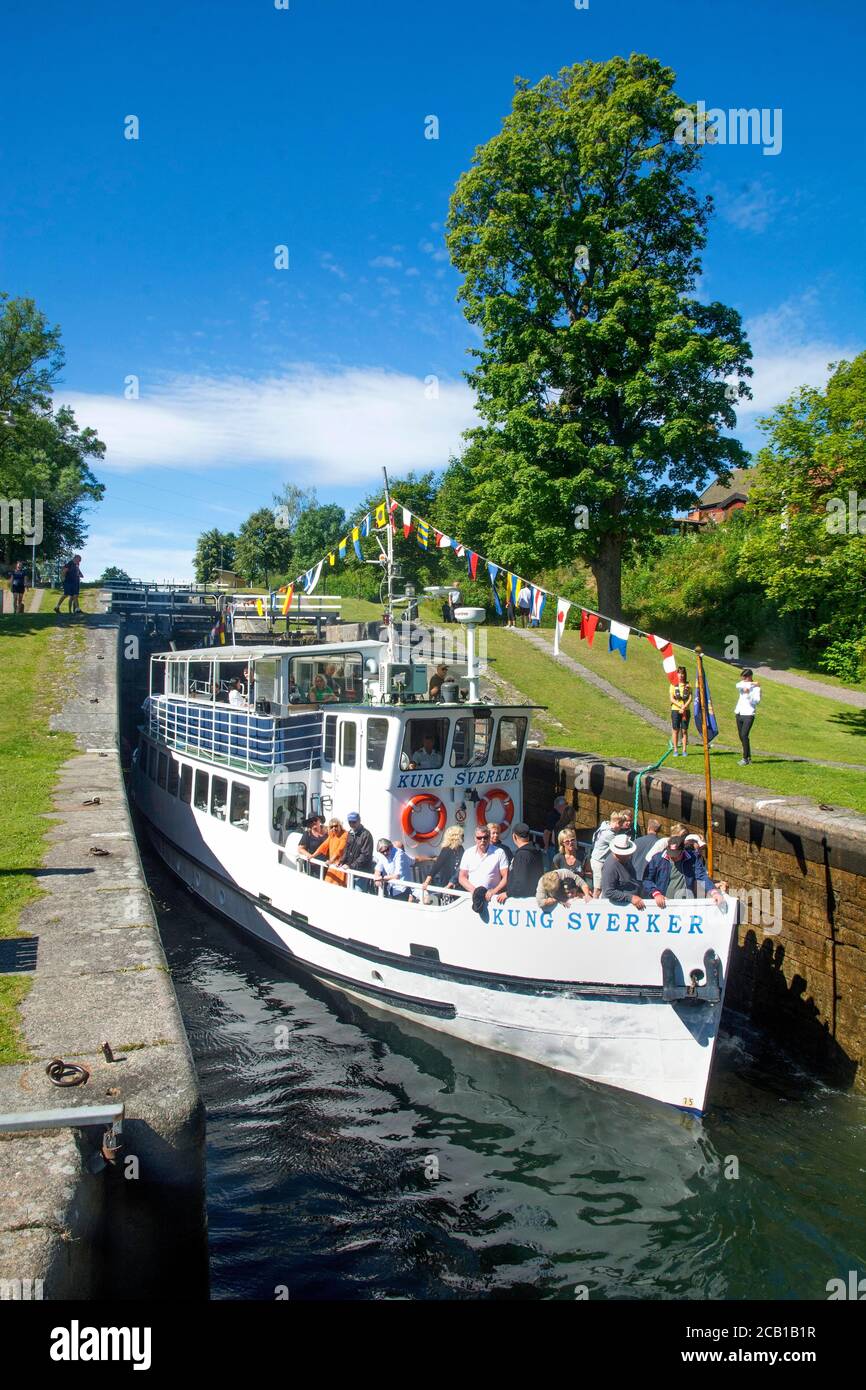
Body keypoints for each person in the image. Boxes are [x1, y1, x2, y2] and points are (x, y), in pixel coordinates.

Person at [643, 833, 725, 907]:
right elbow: (647, 879)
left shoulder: (693, 858)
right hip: (665, 903)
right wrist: (656, 893)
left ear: (683, 851)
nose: (673, 857)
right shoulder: (658, 859)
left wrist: (714, 892)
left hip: (685, 904)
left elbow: (701, 876)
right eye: (671, 854)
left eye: (676, 855)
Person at [458, 825, 509, 911]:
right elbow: (462, 877)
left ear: (489, 838)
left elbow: (506, 877)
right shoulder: (468, 853)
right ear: (475, 838)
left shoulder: (499, 852)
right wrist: (475, 891)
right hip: (472, 898)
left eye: (485, 837)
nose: (482, 840)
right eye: (479, 838)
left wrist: (494, 891)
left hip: (493, 899)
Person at [600, 834, 652, 909]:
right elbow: (608, 891)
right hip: (618, 908)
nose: (629, 855)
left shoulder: (626, 859)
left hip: (631, 903)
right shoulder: (610, 866)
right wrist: (630, 898)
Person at [497, 822, 544, 900]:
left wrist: (508, 893)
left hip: (522, 901)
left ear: (514, 836)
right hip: (534, 897)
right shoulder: (536, 851)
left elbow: (520, 882)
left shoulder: (522, 855)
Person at [589, 810, 632, 894]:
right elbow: (619, 844)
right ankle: (594, 904)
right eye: (620, 825)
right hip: (599, 862)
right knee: (598, 888)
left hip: (599, 860)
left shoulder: (605, 825)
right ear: (616, 823)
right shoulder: (608, 834)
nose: (620, 828)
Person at [420, 824, 465, 903]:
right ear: (456, 836)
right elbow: (437, 865)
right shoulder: (447, 850)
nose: (463, 837)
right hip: (447, 885)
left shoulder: (461, 849)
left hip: (458, 884)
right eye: (462, 835)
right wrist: (427, 881)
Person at [310, 817, 349, 885]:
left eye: (336, 826)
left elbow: (339, 850)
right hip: (332, 865)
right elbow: (323, 846)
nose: (334, 828)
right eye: (332, 827)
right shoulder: (332, 835)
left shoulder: (345, 835)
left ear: (340, 826)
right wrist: (313, 855)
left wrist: (331, 860)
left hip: (340, 866)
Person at [734, 668, 761, 766]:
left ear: (750, 677)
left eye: (745, 677)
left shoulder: (757, 689)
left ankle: (745, 758)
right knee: (741, 736)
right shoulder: (743, 684)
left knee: (745, 735)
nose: (743, 679)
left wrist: (748, 694)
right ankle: (748, 757)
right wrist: (752, 684)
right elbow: (737, 685)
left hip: (749, 714)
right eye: (742, 677)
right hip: (739, 713)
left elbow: (757, 701)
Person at [343, 812, 375, 892]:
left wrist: (351, 865)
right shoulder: (350, 833)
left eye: (354, 822)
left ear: (359, 821)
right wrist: (341, 861)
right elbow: (347, 850)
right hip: (352, 871)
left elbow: (365, 855)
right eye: (350, 822)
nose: (352, 824)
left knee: (359, 895)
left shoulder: (366, 835)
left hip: (362, 872)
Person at [542, 795, 572, 865]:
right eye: (566, 804)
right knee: (554, 870)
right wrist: (546, 847)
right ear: (560, 806)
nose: (567, 806)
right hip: (554, 849)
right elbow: (547, 832)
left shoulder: (564, 816)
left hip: (563, 848)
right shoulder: (553, 816)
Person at [670, 666, 692, 758]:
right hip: (675, 710)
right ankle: (675, 749)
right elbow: (671, 698)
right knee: (675, 730)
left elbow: (690, 698)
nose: (681, 675)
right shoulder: (673, 685)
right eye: (679, 673)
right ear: (677, 674)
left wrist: (684, 706)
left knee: (684, 730)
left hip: (686, 711)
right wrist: (680, 706)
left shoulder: (688, 685)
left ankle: (684, 750)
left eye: (682, 673)